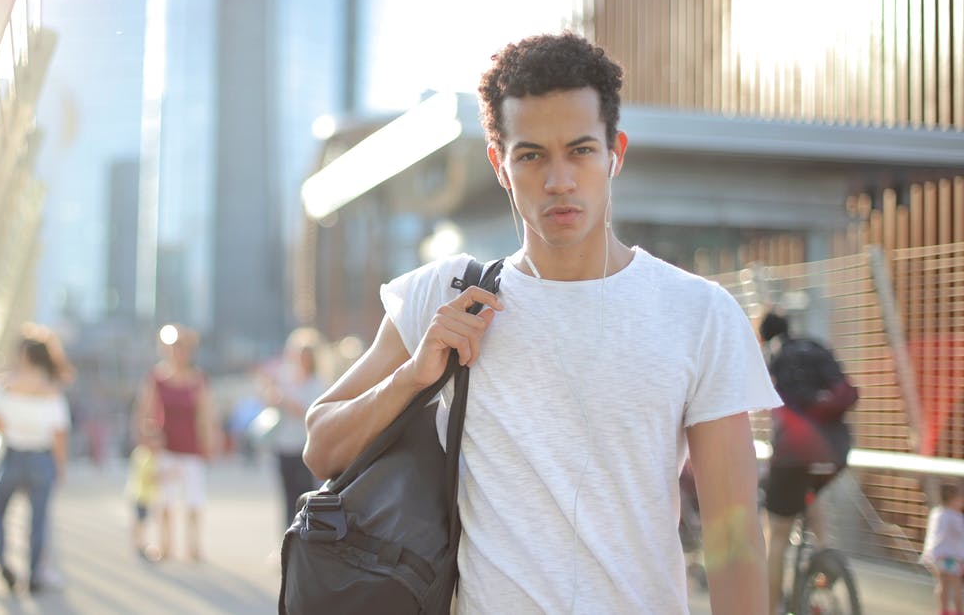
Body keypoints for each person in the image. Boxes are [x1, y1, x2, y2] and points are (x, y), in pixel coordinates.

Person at [303, 32, 779, 614]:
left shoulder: (699, 314)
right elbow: (321, 446)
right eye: (531, 155)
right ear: (499, 164)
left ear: (616, 153)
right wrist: (412, 375)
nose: (559, 181)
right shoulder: (446, 295)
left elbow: (735, 542)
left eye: (580, 150)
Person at [758, 310, 857, 614]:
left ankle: (770, 608)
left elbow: (769, 406)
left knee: (776, 535)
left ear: (764, 336)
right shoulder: (815, 347)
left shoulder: (776, 358)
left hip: (793, 455)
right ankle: (825, 556)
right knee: (810, 490)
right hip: (836, 451)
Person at [0, 325, 73, 594]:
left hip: (12, 454)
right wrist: (60, 467)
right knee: (39, 519)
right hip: (41, 458)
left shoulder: (4, 385)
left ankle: (4, 562)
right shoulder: (52, 392)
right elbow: (59, 434)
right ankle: (35, 574)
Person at [134, 324, 220, 562]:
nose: (178, 352)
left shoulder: (198, 380)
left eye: (182, 347)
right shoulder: (156, 378)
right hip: (166, 448)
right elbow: (144, 412)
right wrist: (147, 437)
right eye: (174, 347)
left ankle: (194, 547)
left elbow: (206, 414)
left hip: (192, 448)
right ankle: (166, 545)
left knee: (194, 500)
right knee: (165, 501)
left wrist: (209, 444)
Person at [266, 328, 329, 525]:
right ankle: (285, 543)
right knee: (287, 498)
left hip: (304, 448)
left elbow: (310, 413)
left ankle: (303, 541)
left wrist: (285, 400)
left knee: (304, 498)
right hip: (283, 445)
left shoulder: (318, 384)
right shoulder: (286, 379)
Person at [922, 482, 964, 615]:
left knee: (942, 584)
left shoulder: (937, 513)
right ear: (953, 499)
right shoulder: (955, 516)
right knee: (956, 585)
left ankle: (943, 609)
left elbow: (933, 535)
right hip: (952, 557)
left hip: (938, 555)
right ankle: (958, 611)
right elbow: (959, 535)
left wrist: (929, 553)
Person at [125, 443, 159, 560]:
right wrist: (171, 475)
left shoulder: (139, 452)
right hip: (141, 496)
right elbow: (150, 477)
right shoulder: (147, 456)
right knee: (141, 522)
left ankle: (137, 544)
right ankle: (139, 545)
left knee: (139, 521)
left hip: (136, 494)